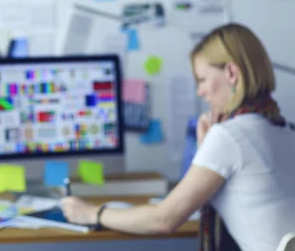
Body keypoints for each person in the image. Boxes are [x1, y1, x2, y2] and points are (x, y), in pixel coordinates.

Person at [60, 23, 295, 251]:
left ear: (231, 73)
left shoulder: (230, 136)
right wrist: (206, 149)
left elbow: (163, 220)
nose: (199, 91)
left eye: (202, 79)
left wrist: (92, 213)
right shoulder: (283, 129)